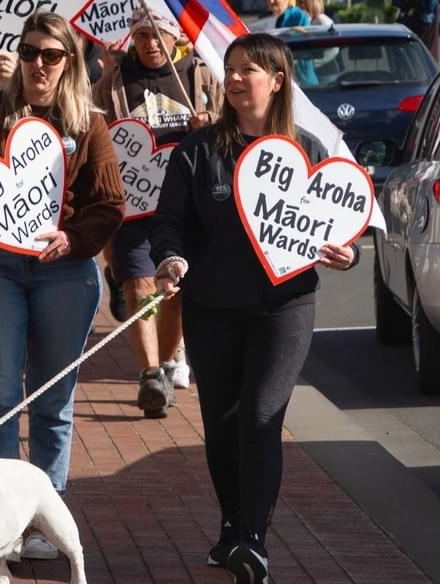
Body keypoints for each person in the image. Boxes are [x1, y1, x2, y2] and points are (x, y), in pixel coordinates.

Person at [151, 32, 359, 584]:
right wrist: (170, 259)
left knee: (261, 417)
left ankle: (253, 542)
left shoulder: (309, 148)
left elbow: (340, 225)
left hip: (284, 306)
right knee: (221, 426)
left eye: (250, 69)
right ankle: (231, 526)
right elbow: (169, 222)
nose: (237, 78)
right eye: (232, 68)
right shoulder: (197, 151)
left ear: (278, 79)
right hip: (211, 306)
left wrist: (348, 253)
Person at [0, 12, 125, 560]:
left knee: (53, 400)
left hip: (64, 269)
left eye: (52, 55)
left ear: (70, 63)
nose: (39, 63)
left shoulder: (87, 122)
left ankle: (43, 519)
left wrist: (73, 238)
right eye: (30, 51)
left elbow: (109, 204)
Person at [93, 9, 221, 417]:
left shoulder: (199, 77)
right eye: (143, 35)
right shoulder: (114, 82)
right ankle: (149, 373)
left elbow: (233, 125)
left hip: (186, 201)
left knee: (175, 290)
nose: (150, 43)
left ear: (175, 38)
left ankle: (167, 363)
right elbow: (91, 127)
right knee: (137, 285)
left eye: (159, 35)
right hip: (133, 203)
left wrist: (210, 122)